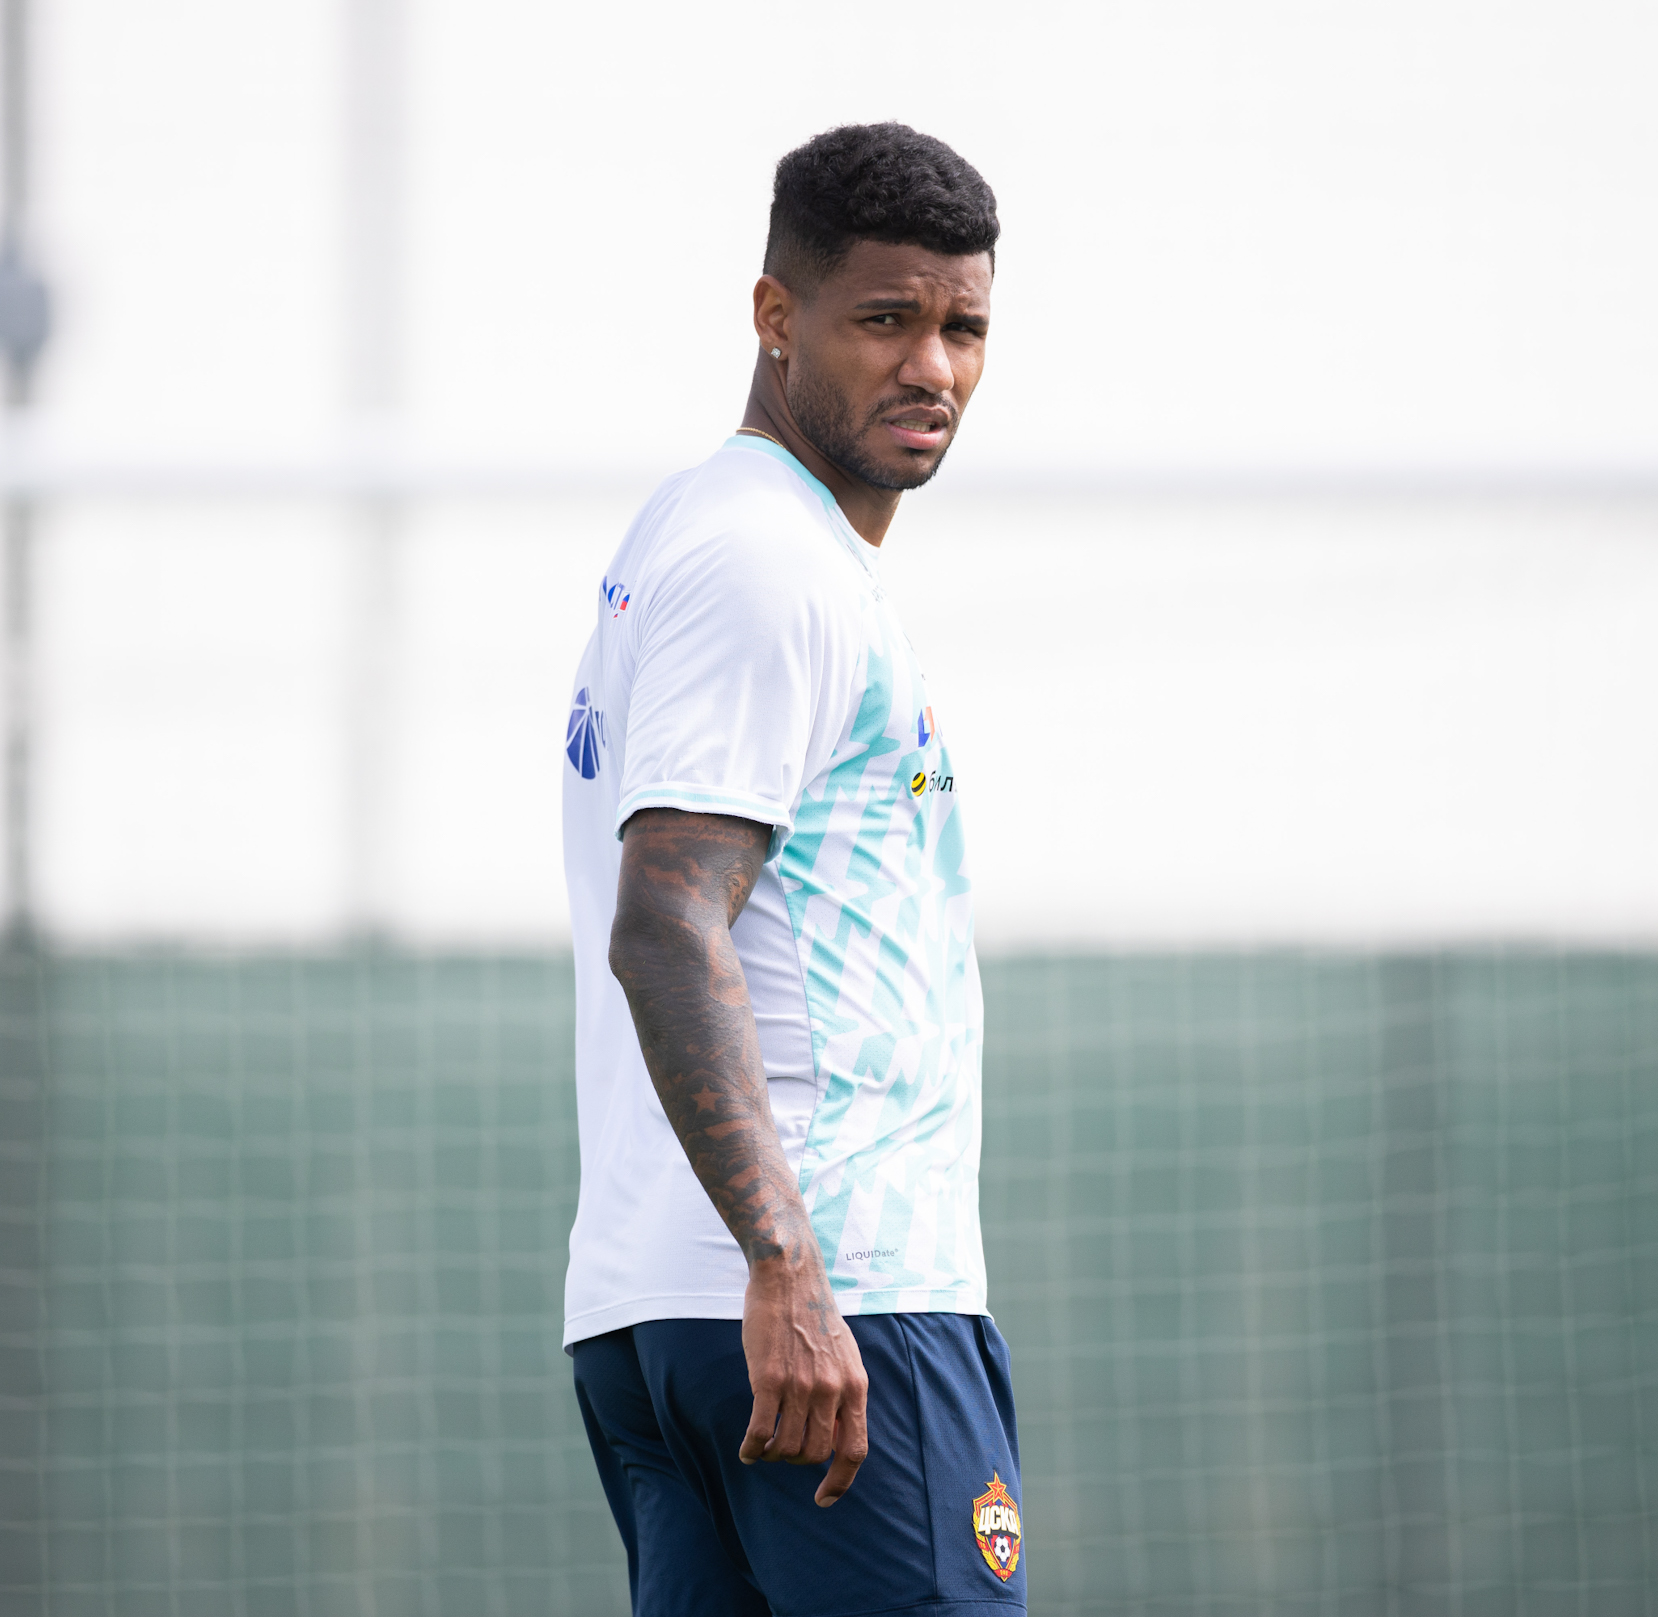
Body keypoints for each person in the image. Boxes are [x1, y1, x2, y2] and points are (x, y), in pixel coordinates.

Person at [561, 123, 1022, 1615]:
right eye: (884, 319)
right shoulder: (769, 561)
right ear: (776, 316)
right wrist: (786, 1266)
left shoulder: (710, 537)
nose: (930, 368)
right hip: (832, 1310)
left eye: (962, 329)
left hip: (671, 1312)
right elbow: (664, 918)